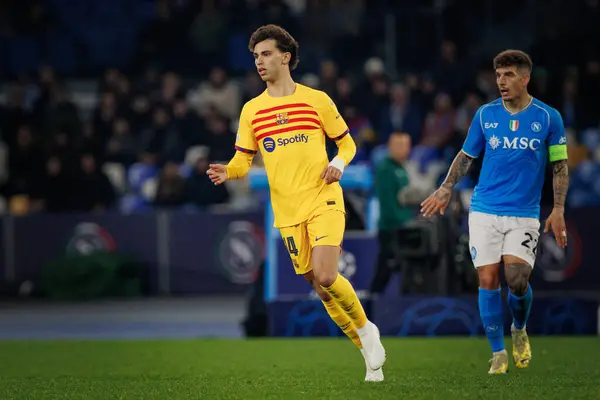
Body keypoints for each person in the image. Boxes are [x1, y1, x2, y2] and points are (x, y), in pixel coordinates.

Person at [207, 25, 386, 382]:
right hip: (287, 212)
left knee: (326, 274)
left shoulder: (316, 99)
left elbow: (347, 144)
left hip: (324, 198)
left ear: (286, 57)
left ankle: (367, 330)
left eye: (267, 54)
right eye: (256, 56)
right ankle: (366, 351)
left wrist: (337, 163)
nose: (260, 62)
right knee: (320, 289)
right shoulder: (251, 110)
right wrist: (229, 170)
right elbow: (243, 160)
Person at [420, 50, 569, 374]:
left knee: (516, 280)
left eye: (509, 75)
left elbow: (560, 165)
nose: (501, 81)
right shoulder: (485, 115)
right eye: (498, 75)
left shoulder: (548, 117)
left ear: (525, 78)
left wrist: (557, 209)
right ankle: (498, 352)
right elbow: (466, 156)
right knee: (487, 279)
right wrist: (446, 187)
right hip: (485, 208)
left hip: (524, 212)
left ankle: (518, 328)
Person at [371, 132, 417, 294]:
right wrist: (405, 222)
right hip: (391, 229)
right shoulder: (385, 169)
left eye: (405, 145)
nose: (403, 149)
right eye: (398, 145)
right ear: (390, 147)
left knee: (402, 271)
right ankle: (371, 304)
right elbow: (388, 204)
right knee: (384, 270)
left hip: (403, 228)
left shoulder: (402, 168)